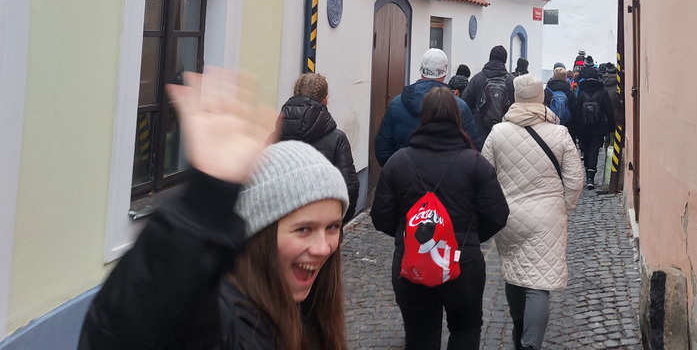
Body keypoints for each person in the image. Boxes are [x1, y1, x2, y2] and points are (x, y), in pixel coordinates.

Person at [79, 68, 350, 350]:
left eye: (332, 227)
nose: (323, 248)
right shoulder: (224, 321)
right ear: (261, 232)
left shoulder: (313, 317)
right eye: (304, 229)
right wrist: (204, 205)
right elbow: (129, 331)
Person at [371, 87, 510, 350]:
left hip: (411, 260)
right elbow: (497, 214)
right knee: (466, 330)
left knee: (419, 336)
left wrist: (409, 234)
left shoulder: (398, 162)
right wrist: (468, 237)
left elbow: (381, 216)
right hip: (462, 260)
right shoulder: (475, 163)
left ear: (423, 117)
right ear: (457, 117)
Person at [482, 75, 583, 350]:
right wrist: (564, 207)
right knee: (538, 283)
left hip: (509, 215)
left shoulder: (498, 133)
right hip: (547, 216)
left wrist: (494, 209)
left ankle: (519, 330)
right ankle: (530, 344)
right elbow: (575, 179)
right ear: (541, 96)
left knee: (515, 273)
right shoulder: (559, 133)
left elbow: (485, 177)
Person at [375, 49, 481, 167]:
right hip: (447, 175)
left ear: (421, 70)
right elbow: (473, 148)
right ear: (444, 73)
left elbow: (382, 149)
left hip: (404, 175)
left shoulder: (396, 104)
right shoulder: (459, 106)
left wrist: (398, 172)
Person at [279, 72, 360, 223]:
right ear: (325, 100)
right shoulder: (337, 138)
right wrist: (335, 223)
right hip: (322, 224)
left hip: (283, 226)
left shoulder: (275, 135)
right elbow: (349, 187)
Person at [461, 45, 515, 143]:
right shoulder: (512, 81)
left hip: (480, 133)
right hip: (505, 135)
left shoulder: (478, 78)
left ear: (490, 58)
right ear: (505, 60)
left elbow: (465, 102)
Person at [575, 65, 616, 189]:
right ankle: (590, 177)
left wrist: (576, 128)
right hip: (598, 127)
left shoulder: (581, 91)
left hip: (583, 126)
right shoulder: (602, 91)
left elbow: (577, 111)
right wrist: (612, 127)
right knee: (594, 151)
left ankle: (587, 170)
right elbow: (608, 110)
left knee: (586, 150)